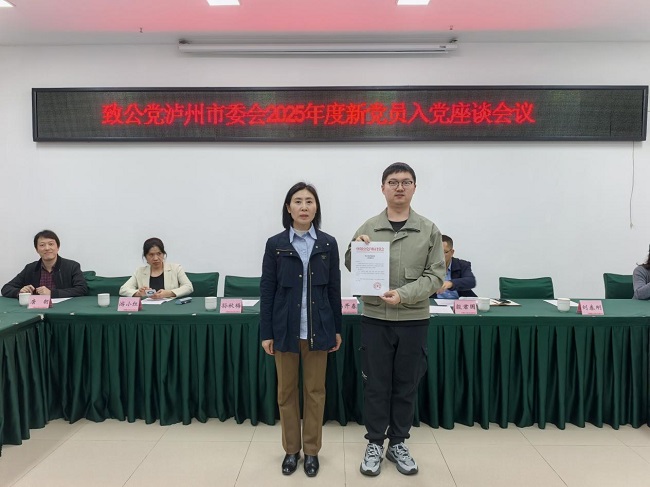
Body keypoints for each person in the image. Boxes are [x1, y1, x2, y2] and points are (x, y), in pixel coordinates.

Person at [345, 162, 445, 477]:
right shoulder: (369, 227)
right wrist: (355, 250)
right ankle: (375, 442)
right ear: (383, 188)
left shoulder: (428, 229)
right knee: (375, 385)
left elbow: (435, 277)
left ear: (414, 187)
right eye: (392, 182)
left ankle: (398, 442)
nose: (399, 187)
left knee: (406, 385)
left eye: (405, 182)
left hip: (414, 320)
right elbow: (351, 264)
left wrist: (404, 295)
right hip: (375, 318)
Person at [260, 182, 342, 478]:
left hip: (318, 329)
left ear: (316, 208)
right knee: (286, 393)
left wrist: (336, 329)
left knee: (315, 392)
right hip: (285, 330)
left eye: (309, 201)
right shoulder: (276, 244)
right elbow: (267, 290)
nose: (304, 206)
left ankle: (312, 451)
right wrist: (266, 332)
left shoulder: (328, 243)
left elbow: (334, 289)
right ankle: (291, 450)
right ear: (288, 207)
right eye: (298, 201)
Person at [1, 229, 87, 298]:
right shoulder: (30, 268)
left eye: (51, 244)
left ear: (58, 247)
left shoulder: (72, 266)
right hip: (37, 310)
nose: (47, 248)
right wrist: (20, 292)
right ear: (37, 249)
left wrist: (52, 293)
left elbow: (81, 289)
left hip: (64, 309)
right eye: (42, 245)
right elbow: (6, 288)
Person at [119, 237, 193, 299]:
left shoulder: (176, 268)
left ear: (163, 254)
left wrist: (169, 293)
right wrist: (138, 293)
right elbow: (123, 289)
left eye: (159, 254)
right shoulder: (140, 271)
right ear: (145, 257)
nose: (155, 258)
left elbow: (188, 287)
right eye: (151, 255)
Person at [433, 234, 477, 299]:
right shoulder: (427, 266)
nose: (440, 256)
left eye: (444, 252)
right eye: (437, 252)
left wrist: (451, 283)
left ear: (452, 252)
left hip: (460, 303)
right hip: (434, 303)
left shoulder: (462, 265)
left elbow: (471, 281)